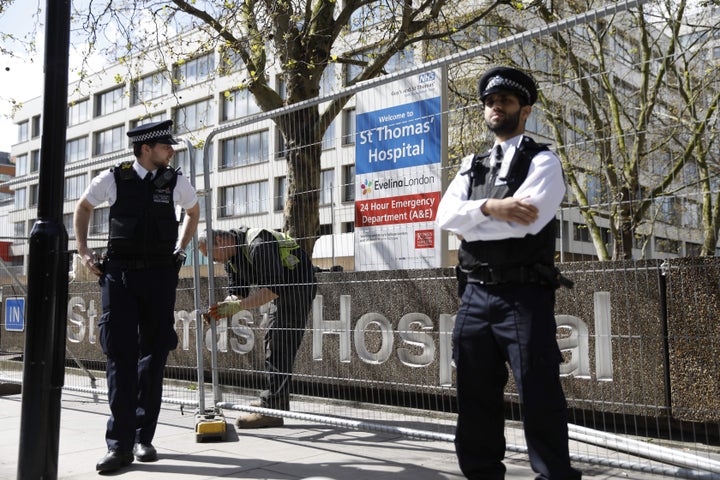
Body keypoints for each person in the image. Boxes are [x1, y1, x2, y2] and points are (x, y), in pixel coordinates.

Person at [436, 66, 581, 480]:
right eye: (490, 101)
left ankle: (554, 475)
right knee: (475, 395)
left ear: (525, 110)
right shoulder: (471, 164)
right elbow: (445, 217)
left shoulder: (544, 161)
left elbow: (529, 222)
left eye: (506, 100)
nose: (496, 106)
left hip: (524, 296)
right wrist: (490, 208)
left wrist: (474, 222)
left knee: (539, 395)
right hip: (475, 297)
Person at [74, 119, 200, 473]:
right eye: (165, 146)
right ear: (146, 148)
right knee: (120, 358)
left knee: (154, 356)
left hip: (160, 275)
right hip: (121, 276)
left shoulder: (175, 181)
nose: (171, 150)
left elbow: (193, 212)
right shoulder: (113, 178)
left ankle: (144, 438)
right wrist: (83, 252)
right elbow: (83, 207)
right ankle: (120, 446)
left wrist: (181, 247)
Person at [201, 227, 317, 428]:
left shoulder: (258, 245)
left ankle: (272, 408)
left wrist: (237, 306)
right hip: (282, 291)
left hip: (298, 288)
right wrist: (221, 310)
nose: (213, 261)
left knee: (278, 344)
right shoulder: (232, 260)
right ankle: (274, 401)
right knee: (275, 342)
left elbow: (274, 288)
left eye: (211, 255)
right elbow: (238, 293)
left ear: (220, 240)